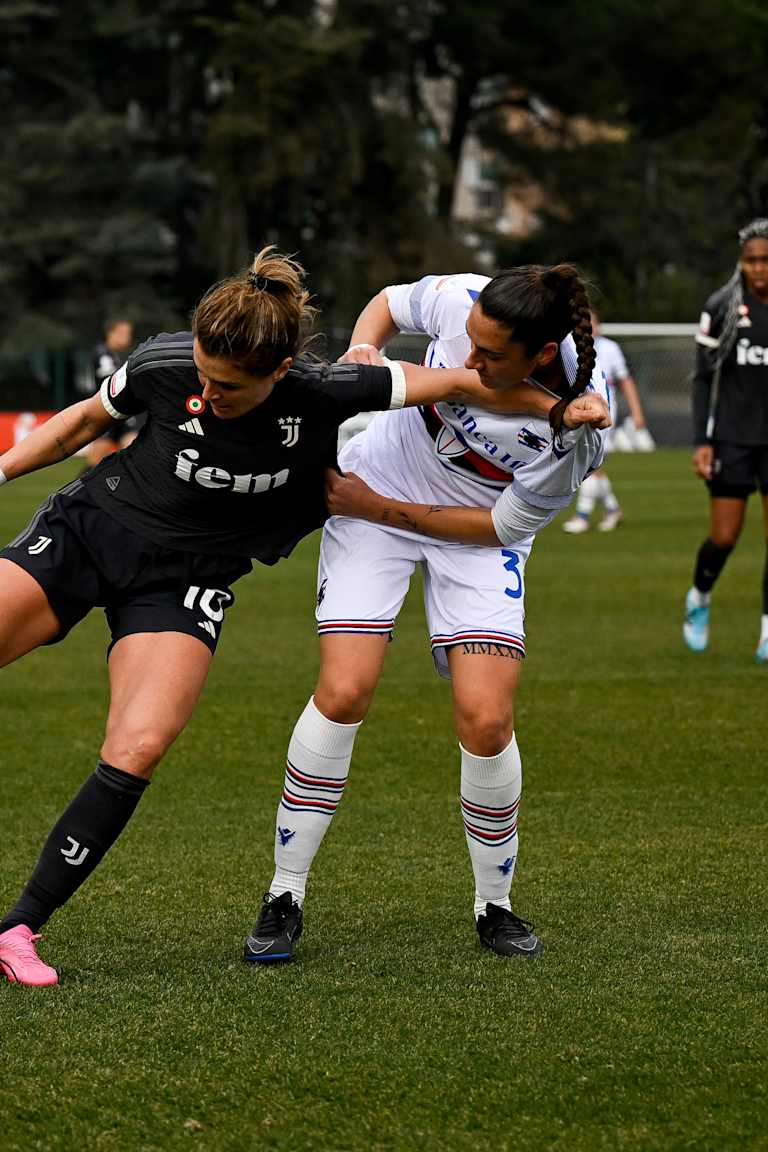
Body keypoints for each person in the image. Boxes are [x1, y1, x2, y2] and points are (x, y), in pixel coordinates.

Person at [0, 247, 553, 988]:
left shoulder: (331, 393)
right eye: (201, 372)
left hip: (186, 584)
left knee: (139, 744)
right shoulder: (164, 366)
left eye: (227, 386)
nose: (205, 392)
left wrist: (567, 410)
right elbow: (79, 424)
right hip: (86, 536)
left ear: (281, 372)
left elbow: (465, 382)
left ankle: (18, 930)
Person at [245, 265, 610, 966]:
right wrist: (361, 349)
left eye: (490, 357)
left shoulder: (579, 433)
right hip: (375, 483)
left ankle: (493, 905)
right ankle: (284, 893)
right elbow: (385, 303)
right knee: (344, 691)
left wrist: (373, 509)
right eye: (466, 345)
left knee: (487, 717)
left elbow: (501, 527)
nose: (468, 363)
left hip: (469, 533)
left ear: (541, 355)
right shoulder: (464, 300)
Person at [683, 218, 768, 662]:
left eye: (766, 260)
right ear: (742, 262)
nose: (759, 268)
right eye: (752, 260)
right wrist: (702, 440)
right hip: (733, 439)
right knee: (725, 536)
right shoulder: (722, 307)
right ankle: (699, 596)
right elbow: (702, 379)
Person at [562, 309, 654, 533]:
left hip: (604, 414)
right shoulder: (570, 347)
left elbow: (626, 382)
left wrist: (637, 412)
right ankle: (613, 510)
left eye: (592, 322)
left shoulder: (610, 348)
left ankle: (583, 516)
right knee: (591, 465)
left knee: (590, 463)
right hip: (580, 410)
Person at [85, 318, 140, 467]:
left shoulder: (115, 355)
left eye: (128, 333)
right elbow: (108, 381)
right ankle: (77, 490)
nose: (127, 337)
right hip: (106, 411)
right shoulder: (103, 354)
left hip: (121, 411)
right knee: (95, 465)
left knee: (134, 456)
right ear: (110, 333)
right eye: (122, 333)